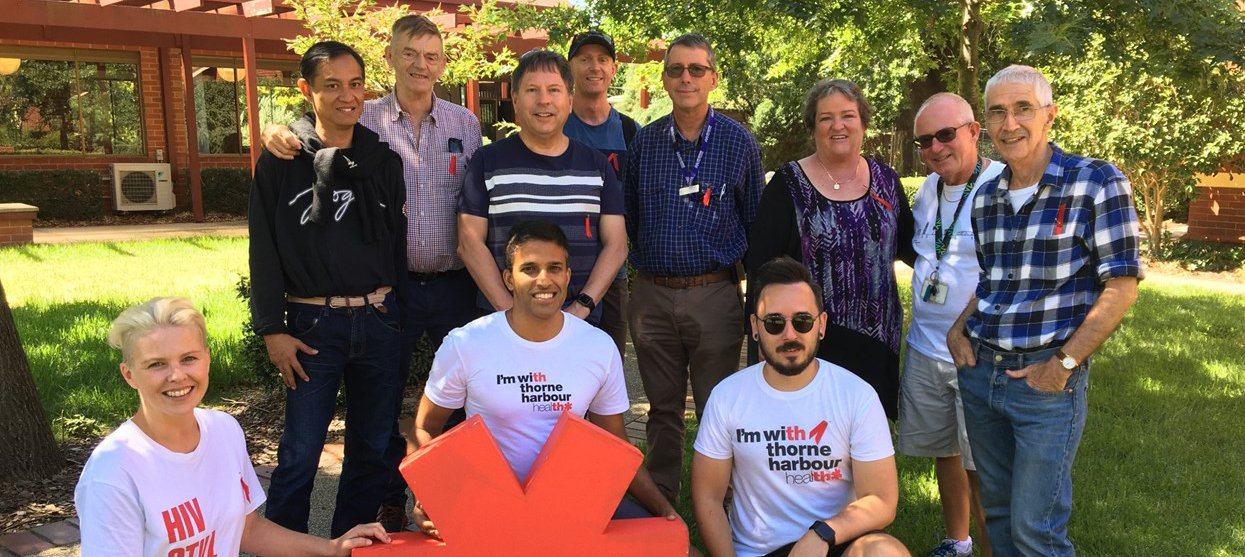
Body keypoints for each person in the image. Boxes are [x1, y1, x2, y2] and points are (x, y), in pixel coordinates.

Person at [260, 15, 485, 531]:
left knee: (449, 404)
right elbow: (313, 132)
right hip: (374, 297)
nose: (421, 65)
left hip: (445, 286)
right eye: (410, 53)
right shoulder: (367, 120)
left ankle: (442, 505)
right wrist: (279, 128)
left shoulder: (464, 124)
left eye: (431, 56)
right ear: (391, 58)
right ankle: (384, 503)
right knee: (356, 430)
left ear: (443, 63)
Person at [946, 65, 1142, 556]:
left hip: (1046, 383)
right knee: (999, 517)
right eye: (997, 112)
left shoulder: (1094, 181)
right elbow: (993, 282)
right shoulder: (987, 197)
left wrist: (1064, 365)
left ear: (1049, 116)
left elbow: (1121, 286)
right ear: (985, 124)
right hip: (981, 375)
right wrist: (958, 328)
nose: (1009, 123)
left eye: (1022, 109)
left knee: (1037, 530)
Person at [408, 220, 678, 538]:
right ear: (509, 279)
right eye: (530, 269)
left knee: (680, 546)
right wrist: (430, 495)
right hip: (484, 504)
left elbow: (617, 447)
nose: (543, 280)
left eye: (554, 268)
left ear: (567, 276)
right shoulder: (468, 343)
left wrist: (663, 510)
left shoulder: (597, 346)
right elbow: (424, 428)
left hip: (574, 502)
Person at [75, 297, 391, 556]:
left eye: (188, 358)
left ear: (207, 359)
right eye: (156, 364)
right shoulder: (112, 473)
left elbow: (249, 529)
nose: (177, 376)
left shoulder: (223, 430)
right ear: (129, 374)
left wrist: (333, 548)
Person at [248, 41, 408, 537]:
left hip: (379, 319)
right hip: (313, 324)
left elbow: (395, 245)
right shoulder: (281, 160)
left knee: (372, 448)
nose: (347, 96)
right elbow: (264, 250)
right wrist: (272, 330)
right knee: (300, 452)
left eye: (355, 84)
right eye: (332, 85)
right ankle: (283, 548)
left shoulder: (382, 161)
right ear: (306, 90)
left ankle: (350, 545)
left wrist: (396, 314)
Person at [624, 33, 765, 502]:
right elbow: (630, 218)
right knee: (661, 409)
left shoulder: (738, 142)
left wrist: (758, 301)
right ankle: (661, 504)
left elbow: (754, 223)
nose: (686, 78)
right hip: (653, 295)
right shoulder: (644, 144)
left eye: (696, 69)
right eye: (676, 69)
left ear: (713, 79)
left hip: (714, 293)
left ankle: (724, 503)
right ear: (664, 79)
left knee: (718, 407)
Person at [691, 257, 909, 557]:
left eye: (802, 321)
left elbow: (882, 499)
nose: (790, 334)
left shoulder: (856, 395)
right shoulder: (727, 396)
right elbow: (707, 497)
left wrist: (821, 535)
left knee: (885, 552)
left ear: (821, 325)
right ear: (755, 327)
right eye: (775, 322)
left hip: (833, 543)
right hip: (758, 552)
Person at [745, 78, 914, 421]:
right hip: (808, 340)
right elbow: (760, 269)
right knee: (810, 447)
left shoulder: (886, 181)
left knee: (865, 446)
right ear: (813, 127)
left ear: (863, 122)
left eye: (848, 115)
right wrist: (761, 343)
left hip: (876, 343)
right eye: (826, 118)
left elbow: (914, 249)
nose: (838, 126)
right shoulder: (788, 186)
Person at [458, 49, 627, 328]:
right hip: (504, 327)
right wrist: (513, 314)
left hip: (579, 325)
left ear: (570, 100)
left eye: (554, 90)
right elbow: (469, 243)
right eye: (532, 90)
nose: (544, 100)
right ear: (515, 99)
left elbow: (617, 245)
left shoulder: (596, 166)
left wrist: (581, 307)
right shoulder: (487, 162)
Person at [901, 92, 1001, 557]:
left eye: (946, 135)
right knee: (947, 452)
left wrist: (963, 328)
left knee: (983, 466)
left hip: (978, 351)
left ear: (974, 132)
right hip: (925, 348)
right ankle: (957, 541)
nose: (935, 148)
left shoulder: (1002, 186)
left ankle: (990, 548)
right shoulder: (928, 190)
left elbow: (1009, 273)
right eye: (925, 141)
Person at [563, 29, 641, 358]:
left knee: (607, 369)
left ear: (613, 69)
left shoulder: (629, 131)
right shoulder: (558, 124)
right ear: (570, 68)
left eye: (602, 59)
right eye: (584, 59)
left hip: (612, 272)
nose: (594, 66)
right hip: (561, 268)